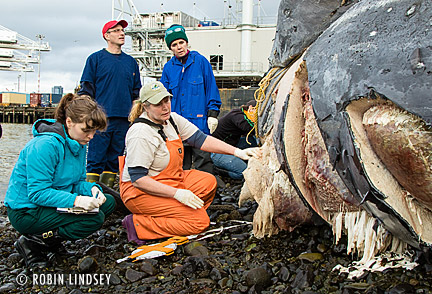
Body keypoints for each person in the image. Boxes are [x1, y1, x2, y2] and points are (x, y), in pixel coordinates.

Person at [119, 81, 260, 244]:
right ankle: (138, 224)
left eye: (167, 100)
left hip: (170, 180)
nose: (165, 107)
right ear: (145, 106)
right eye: (159, 104)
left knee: (208, 182)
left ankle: (175, 214)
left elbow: (201, 140)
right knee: (200, 222)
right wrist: (177, 194)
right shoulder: (140, 133)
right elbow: (138, 180)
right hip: (140, 192)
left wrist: (238, 152)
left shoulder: (171, 119)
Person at [4, 94, 116, 268]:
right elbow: (37, 193)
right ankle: (33, 243)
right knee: (93, 218)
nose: (91, 136)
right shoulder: (45, 146)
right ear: (69, 122)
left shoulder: (77, 142)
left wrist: (92, 189)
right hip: (26, 211)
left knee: (107, 203)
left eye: (94, 131)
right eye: (86, 130)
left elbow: (77, 182)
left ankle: (50, 239)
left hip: (50, 202)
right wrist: (77, 200)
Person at [78, 19, 142, 187]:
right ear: (106, 36)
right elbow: (86, 90)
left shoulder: (131, 62)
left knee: (115, 158)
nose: (122, 34)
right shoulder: (95, 59)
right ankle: (89, 190)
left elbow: (137, 92)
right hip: (101, 119)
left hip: (124, 118)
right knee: (95, 157)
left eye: (122, 31)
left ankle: (107, 192)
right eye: (117, 30)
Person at [160, 24, 221, 174]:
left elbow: (211, 87)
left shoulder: (200, 62)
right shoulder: (168, 68)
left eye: (181, 42)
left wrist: (213, 114)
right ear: (171, 48)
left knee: (204, 161)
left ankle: (208, 192)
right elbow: (162, 97)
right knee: (179, 163)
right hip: (176, 125)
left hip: (199, 123)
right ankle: (181, 193)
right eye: (174, 44)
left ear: (186, 43)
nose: (179, 47)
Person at [211, 100, 259, 180]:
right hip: (218, 152)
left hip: (232, 145)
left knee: (252, 140)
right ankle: (220, 171)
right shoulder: (236, 116)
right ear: (250, 108)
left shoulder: (242, 114)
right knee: (244, 173)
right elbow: (250, 128)